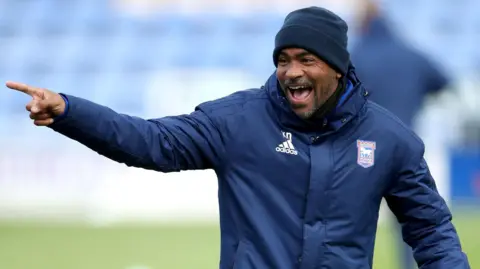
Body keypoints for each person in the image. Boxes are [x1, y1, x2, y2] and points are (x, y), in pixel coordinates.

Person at [6, 6, 470, 269]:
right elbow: (150, 142)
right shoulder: (238, 120)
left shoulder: (389, 138)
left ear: (337, 66)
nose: (292, 72)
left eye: (306, 59)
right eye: (283, 58)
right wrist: (70, 110)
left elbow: (430, 229)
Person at [350, 1, 451, 268]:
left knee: (352, 217)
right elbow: (443, 81)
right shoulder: (410, 54)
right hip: (405, 145)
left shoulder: (356, 56)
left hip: (365, 146)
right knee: (412, 219)